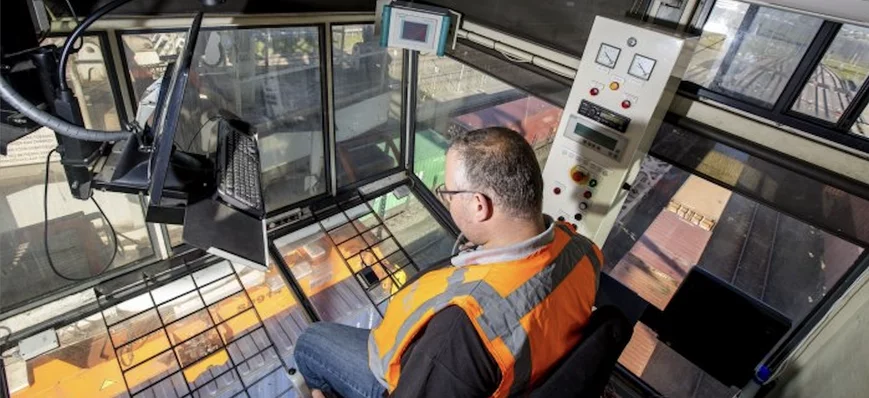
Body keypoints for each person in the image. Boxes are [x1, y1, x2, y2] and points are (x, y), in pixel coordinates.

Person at [294, 127, 602, 398]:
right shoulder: (582, 250)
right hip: (511, 368)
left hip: (401, 378)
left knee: (311, 342)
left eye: (449, 193)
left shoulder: (460, 330)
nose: (446, 199)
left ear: (479, 206)